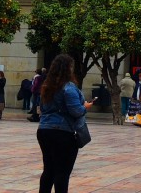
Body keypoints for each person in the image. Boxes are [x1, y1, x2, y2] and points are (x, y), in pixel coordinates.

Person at [37, 53, 94, 193]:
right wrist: (85, 107)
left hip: (44, 130)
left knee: (48, 170)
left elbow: (42, 108)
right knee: (62, 172)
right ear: (68, 68)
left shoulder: (47, 86)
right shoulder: (68, 87)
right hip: (62, 132)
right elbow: (76, 111)